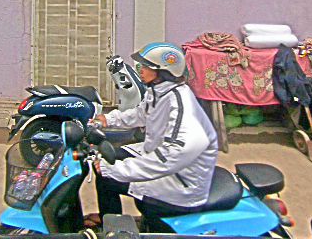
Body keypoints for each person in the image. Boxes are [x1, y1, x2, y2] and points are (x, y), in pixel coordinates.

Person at [85, 42, 218, 231]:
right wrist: (108, 119)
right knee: (107, 161)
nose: (141, 70)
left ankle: (116, 231)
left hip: (181, 181)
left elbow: (169, 158)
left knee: (109, 175)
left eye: (146, 66)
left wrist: (117, 170)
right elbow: (141, 114)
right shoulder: (159, 91)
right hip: (160, 153)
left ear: (163, 72)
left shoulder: (181, 107)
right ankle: (109, 218)